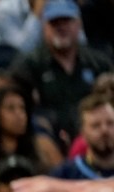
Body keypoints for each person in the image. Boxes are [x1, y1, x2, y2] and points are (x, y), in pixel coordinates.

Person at [9, 0, 113, 145]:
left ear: (79, 24)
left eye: (67, 21)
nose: (61, 27)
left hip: (96, 136)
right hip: (49, 139)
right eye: (55, 23)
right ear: (44, 27)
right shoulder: (28, 66)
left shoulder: (98, 63)